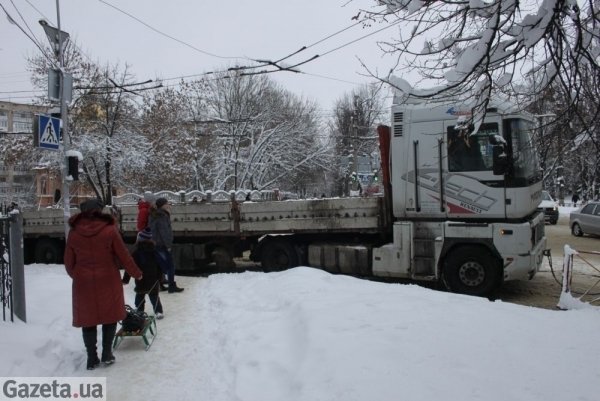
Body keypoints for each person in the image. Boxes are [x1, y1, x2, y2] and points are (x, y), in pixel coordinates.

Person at [64, 198, 142, 370]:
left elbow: (69, 263)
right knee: (110, 316)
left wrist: (78, 276)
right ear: (100, 211)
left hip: (83, 283)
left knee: (88, 320)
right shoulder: (109, 230)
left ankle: (92, 358)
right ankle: (107, 354)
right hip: (108, 279)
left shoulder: (74, 233)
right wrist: (136, 273)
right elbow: (124, 255)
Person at [122, 227, 164, 319]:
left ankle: (139, 310)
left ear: (139, 240)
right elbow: (160, 265)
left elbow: (130, 266)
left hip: (140, 279)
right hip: (153, 279)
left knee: (140, 296)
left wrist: (126, 279)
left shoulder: (136, 252)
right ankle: (158, 311)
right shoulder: (154, 251)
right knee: (154, 296)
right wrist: (160, 277)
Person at [149, 197, 184, 293]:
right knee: (170, 266)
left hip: (157, 243)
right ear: (162, 205)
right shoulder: (161, 216)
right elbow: (164, 232)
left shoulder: (155, 214)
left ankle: (160, 284)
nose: (168, 205)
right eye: (167, 203)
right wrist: (168, 245)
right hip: (162, 244)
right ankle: (171, 286)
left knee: (160, 265)